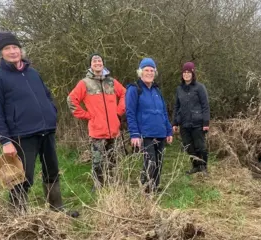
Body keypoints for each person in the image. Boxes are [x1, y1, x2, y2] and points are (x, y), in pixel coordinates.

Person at [0, 31, 78, 217]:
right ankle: (19, 217)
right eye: (7, 48)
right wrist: (5, 141)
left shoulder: (33, 73)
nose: (13, 51)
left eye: (15, 47)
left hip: (46, 131)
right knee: (21, 177)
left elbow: (46, 95)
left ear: (21, 50)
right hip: (21, 135)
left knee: (51, 171)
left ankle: (56, 209)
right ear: (0, 54)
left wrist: (51, 113)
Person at [67, 53, 126, 189]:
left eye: (99, 60)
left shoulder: (111, 82)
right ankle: (98, 186)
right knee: (97, 162)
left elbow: (125, 93)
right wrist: (87, 115)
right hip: (97, 130)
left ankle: (114, 185)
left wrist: (119, 111)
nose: (97, 63)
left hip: (114, 130)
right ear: (91, 65)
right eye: (95, 61)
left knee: (113, 160)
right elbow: (71, 100)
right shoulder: (85, 83)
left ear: (103, 64)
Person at [125, 58, 173, 193]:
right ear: (140, 72)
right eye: (146, 70)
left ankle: (155, 187)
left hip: (160, 132)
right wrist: (134, 133)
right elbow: (130, 113)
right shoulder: (134, 89)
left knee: (159, 161)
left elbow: (163, 111)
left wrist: (168, 131)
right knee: (150, 162)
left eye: (152, 70)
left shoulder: (157, 90)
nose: (149, 73)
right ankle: (145, 188)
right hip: (145, 133)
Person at [172, 62, 210, 175]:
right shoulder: (179, 89)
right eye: (184, 72)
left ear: (193, 74)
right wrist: (174, 122)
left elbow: (205, 105)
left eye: (189, 72)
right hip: (184, 123)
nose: (186, 74)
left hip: (198, 123)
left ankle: (203, 167)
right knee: (188, 146)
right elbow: (176, 106)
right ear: (182, 74)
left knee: (200, 146)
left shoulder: (200, 87)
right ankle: (195, 166)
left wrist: (206, 122)